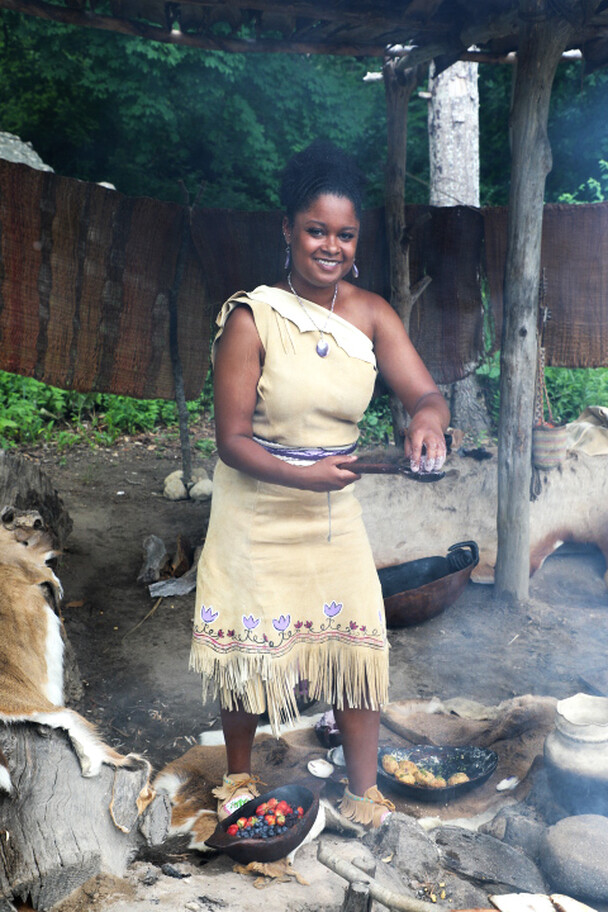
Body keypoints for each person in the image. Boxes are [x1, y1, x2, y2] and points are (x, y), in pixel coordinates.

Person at [189, 140, 450, 828]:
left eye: (344, 234)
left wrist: (429, 423)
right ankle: (237, 777)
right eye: (315, 230)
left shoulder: (370, 314)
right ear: (287, 229)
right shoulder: (252, 317)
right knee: (251, 648)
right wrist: (304, 475)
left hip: (336, 511)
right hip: (259, 509)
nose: (329, 246)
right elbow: (232, 440)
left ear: (357, 239)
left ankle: (363, 791)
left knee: (357, 644)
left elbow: (425, 392)